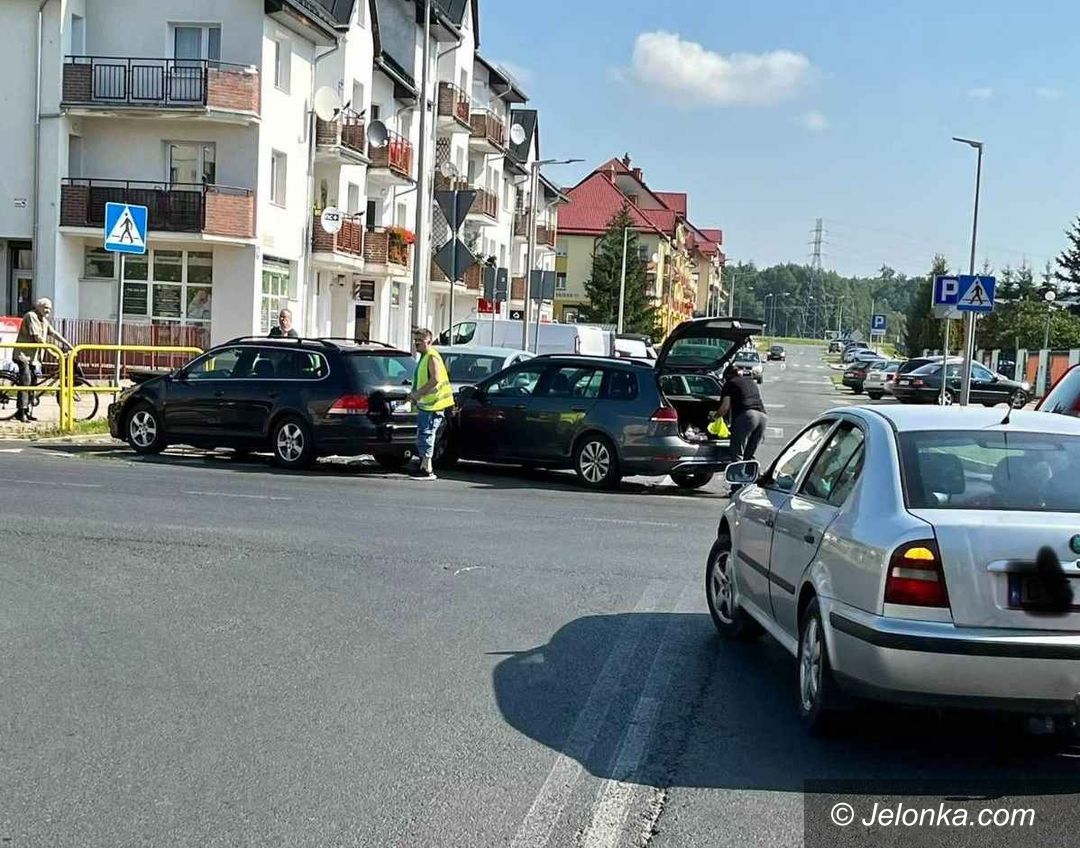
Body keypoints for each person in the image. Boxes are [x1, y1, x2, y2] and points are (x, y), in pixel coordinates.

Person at [13, 297, 71, 423]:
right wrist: (52, 351)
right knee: (26, 381)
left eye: (50, 308)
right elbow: (37, 337)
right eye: (45, 307)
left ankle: (27, 410)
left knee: (34, 381)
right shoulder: (31, 316)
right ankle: (21, 412)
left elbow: (54, 333)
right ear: (38, 307)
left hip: (34, 358)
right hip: (23, 355)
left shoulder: (44, 320)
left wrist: (68, 344)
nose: (48, 310)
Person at [407, 327, 454, 480]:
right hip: (428, 404)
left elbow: (435, 380)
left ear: (428, 341)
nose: (416, 344)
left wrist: (418, 393)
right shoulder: (425, 356)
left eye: (419, 341)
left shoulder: (432, 356)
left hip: (433, 405)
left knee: (427, 434)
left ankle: (427, 469)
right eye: (415, 341)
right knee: (424, 433)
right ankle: (424, 466)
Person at [719, 362, 768, 476]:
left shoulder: (730, 383)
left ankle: (736, 486)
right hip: (762, 417)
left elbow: (725, 407)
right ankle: (751, 483)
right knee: (749, 455)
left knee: (737, 454)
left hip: (747, 417)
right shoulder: (750, 382)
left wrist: (715, 417)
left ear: (727, 376)